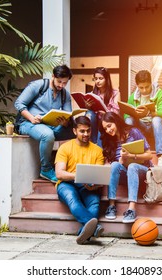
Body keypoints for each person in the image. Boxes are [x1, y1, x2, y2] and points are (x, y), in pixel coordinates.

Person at [14, 65, 75, 183]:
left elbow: (68, 114)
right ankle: (46, 169)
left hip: (50, 125)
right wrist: (31, 118)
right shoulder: (38, 85)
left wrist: (65, 122)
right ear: (53, 76)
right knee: (48, 135)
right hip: (28, 123)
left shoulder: (65, 94)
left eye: (65, 83)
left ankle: (71, 165)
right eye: (59, 81)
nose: (61, 85)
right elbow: (19, 103)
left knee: (77, 130)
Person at [54, 116, 105, 244]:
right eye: (82, 131)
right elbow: (59, 174)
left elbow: (98, 175)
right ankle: (95, 228)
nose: (86, 134)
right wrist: (78, 176)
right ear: (75, 131)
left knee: (94, 203)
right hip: (66, 184)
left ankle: (84, 232)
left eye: (88, 131)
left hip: (87, 185)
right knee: (72, 198)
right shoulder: (65, 147)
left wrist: (95, 186)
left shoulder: (97, 150)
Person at [100, 112, 153, 223]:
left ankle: (131, 209)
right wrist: (120, 161)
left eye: (109, 126)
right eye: (105, 129)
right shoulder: (110, 141)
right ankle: (111, 206)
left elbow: (149, 155)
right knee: (114, 165)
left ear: (116, 121)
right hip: (125, 173)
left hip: (142, 171)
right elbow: (111, 165)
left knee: (132, 166)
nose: (108, 130)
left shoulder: (134, 132)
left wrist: (131, 156)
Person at [124, 70, 162, 167]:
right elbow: (126, 115)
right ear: (137, 85)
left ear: (151, 83)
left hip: (155, 128)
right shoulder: (133, 97)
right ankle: (129, 153)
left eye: (147, 87)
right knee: (128, 120)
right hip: (140, 127)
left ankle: (161, 156)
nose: (144, 90)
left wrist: (149, 113)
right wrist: (134, 114)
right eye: (141, 87)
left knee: (157, 120)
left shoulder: (161, 94)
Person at [85, 67, 120, 146]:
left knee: (102, 121)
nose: (97, 81)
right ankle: (93, 141)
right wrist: (88, 107)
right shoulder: (92, 93)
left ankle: (97, 145)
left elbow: (116, 113)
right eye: (95, 79)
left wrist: (106, 113)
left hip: (107, 122)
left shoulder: (115, 93)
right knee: (89, 113)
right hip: (95, 122)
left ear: (106, 79)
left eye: (100, 78)